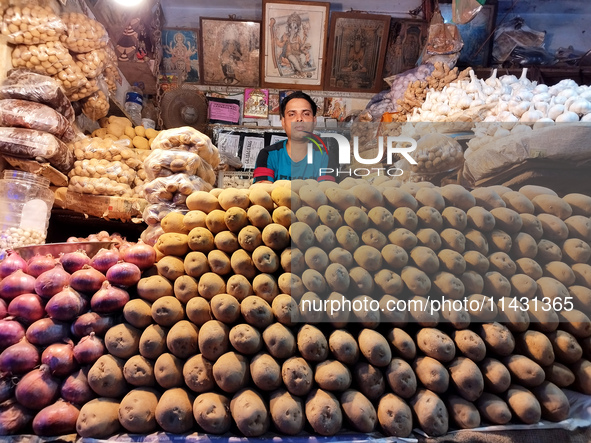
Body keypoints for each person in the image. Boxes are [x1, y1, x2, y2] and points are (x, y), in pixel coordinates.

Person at [253, 91, 336, 183]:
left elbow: (326, 192)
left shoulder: (326, 156)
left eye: (306, 114)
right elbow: (262, 193)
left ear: (314, 121)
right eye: (292, 114)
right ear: (283, 122)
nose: (299, 118)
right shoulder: (267, 155)